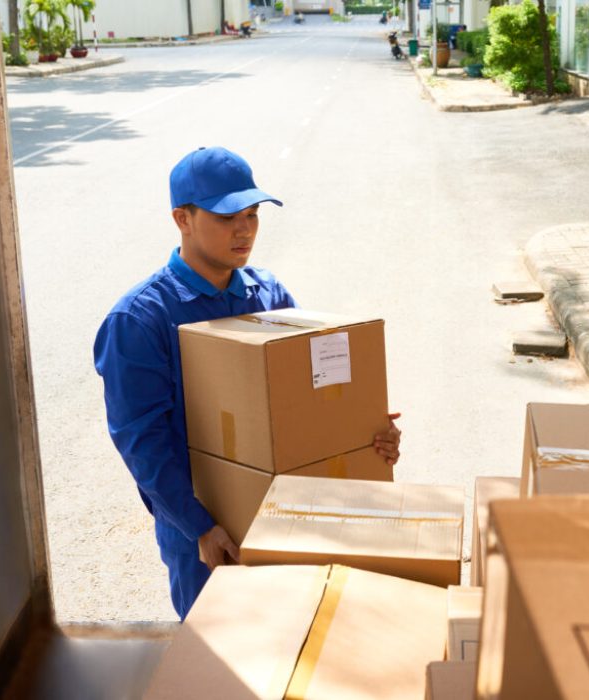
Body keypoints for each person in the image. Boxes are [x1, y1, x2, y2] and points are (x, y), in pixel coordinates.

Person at [94, 146, 402, 619]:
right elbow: (142, 441)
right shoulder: (141, 319)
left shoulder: (269, 295)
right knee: (219, 661)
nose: (245, 230)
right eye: (226, 216)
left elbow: (308, 399)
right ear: (183, 219)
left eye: (253, 214)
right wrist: (200, 527)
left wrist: (364, 435)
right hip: (205, 534)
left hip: (289, 516)